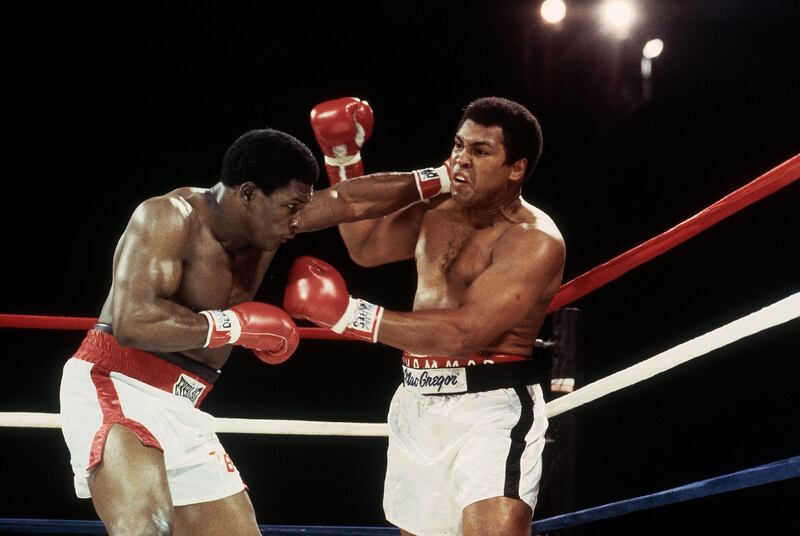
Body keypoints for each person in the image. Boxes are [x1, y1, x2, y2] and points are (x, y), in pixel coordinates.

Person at [59, 119, 451, 535]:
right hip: (119, 384)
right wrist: (234, 326)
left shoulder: (271, 223)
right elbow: (133, 321)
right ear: (248, 194)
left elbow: (348, 201)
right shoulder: (168, 217)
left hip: (185, 404)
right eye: (292, 208)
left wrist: (443, 176)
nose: (299, 221)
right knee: (145, 528)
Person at [285, 96, 565, 536]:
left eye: (481, 151)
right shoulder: (440, 211)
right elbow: (367, 245)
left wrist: (347, 315)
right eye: (459, 146)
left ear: (516, 168)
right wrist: (343, 158)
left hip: (490, 410)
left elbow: (464, 331)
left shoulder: (534, 240)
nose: (461, 160)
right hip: (416, 402)